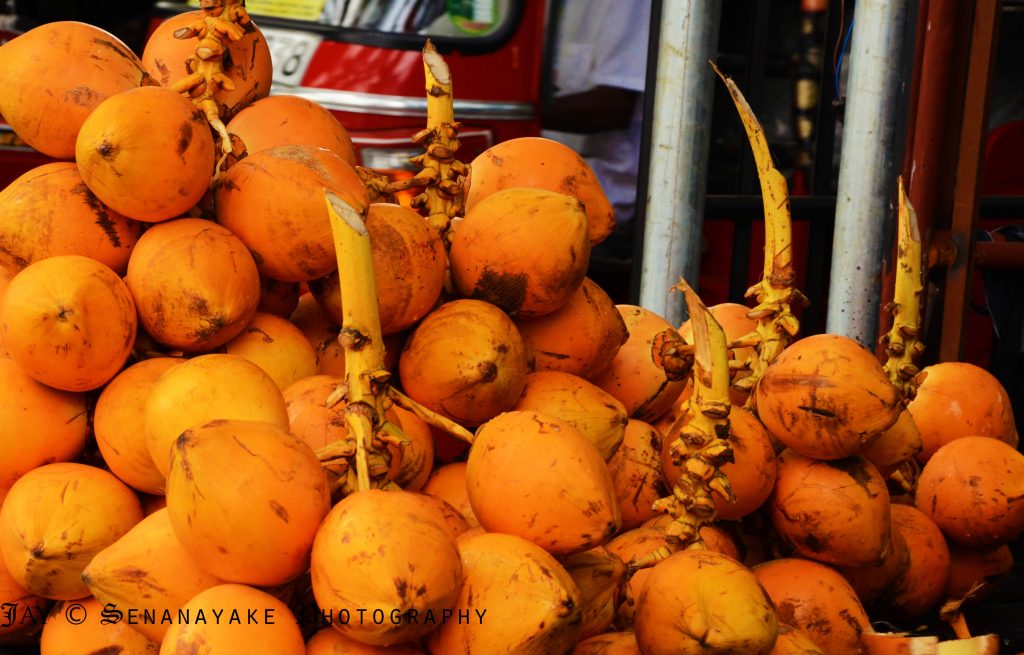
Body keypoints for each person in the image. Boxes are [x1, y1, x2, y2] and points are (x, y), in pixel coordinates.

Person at [541, 0, 652, 271]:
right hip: (548, 181)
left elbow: (615, 106)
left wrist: (521, 111)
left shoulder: (632, 7)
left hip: (609, 196)